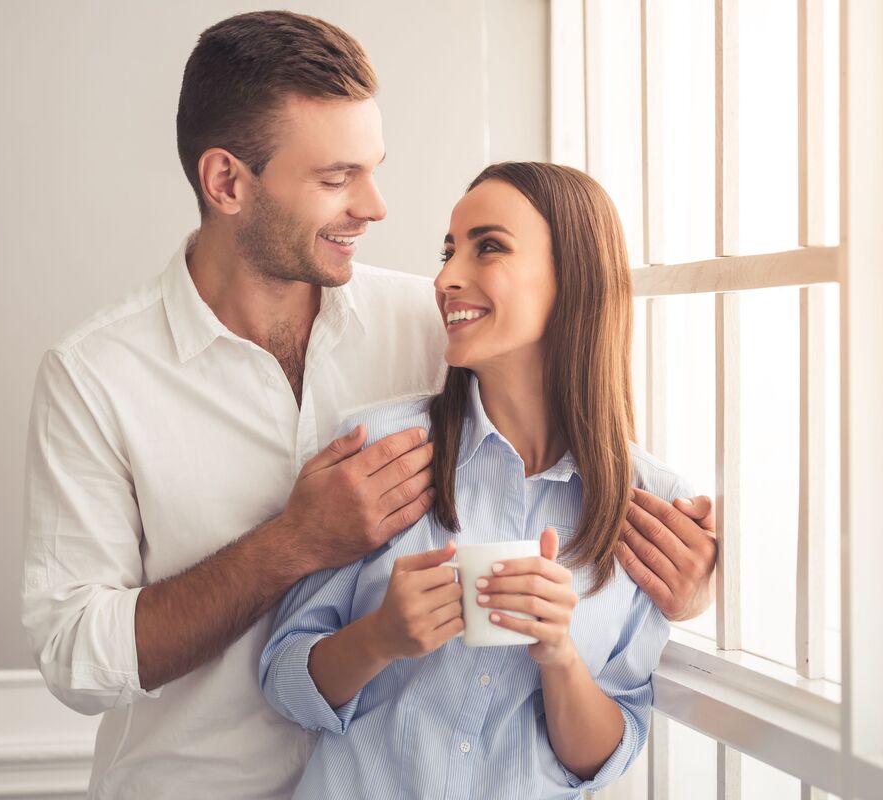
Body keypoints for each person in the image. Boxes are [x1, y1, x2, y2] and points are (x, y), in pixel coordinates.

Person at [21, 11, 717, 800]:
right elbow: (77, 656)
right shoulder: (95, 375)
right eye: (335, 178)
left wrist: (680, 580)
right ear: (227, 183)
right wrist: (294, 542)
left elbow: (566, 431)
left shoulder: (438, 322)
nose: (377, 206)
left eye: (372, 167)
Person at [261, 162, 690, 799]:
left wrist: (559, 657)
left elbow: (608, 750)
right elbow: (284, 679)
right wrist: (378, 638)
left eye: (487, 246)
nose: (445, 278)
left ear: (572, 276)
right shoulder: (378, 452)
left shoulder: (648, 504)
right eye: (448, 250)